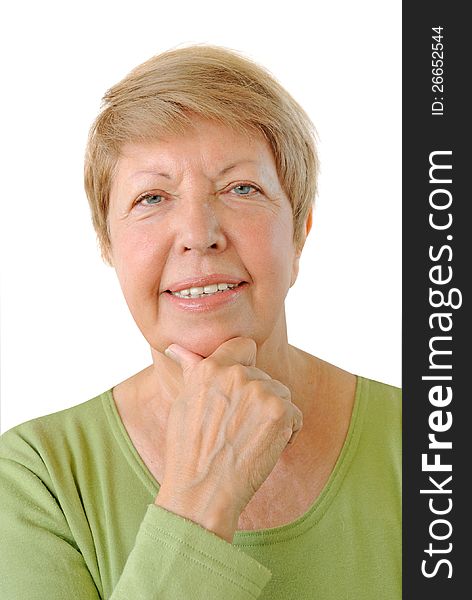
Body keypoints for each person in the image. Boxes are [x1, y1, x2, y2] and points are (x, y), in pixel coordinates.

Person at [0, 45, 401, 599]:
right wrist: (203, 499)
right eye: (152, 197)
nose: (198, 232)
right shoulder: (37, 477)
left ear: (300, 230)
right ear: (108, 244)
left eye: (241, 188)